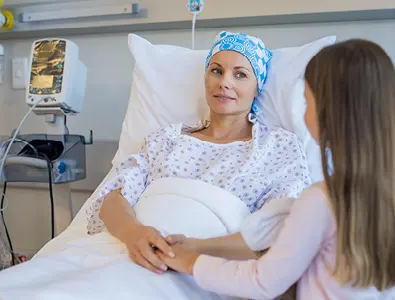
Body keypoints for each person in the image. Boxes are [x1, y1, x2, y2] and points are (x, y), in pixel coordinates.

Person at [157, 39, 395, 299]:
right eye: (216, 70)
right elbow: (269, 236)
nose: (225, 82)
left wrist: (188, 261)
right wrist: (197, 246)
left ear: (330, 113)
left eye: (306, 102)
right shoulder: (389, 196)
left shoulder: (321, 199)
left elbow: (261, 282)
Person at [86, 31, 311, 275]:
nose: (225, 82)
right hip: (125, 251)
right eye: (216, 70)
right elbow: (114, 197)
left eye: (240, 74)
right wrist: (134, 234)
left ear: (257, 87)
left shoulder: (276, 147)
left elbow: (278, 229)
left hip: (207, 269)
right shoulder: (166, 140)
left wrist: (194, 250)